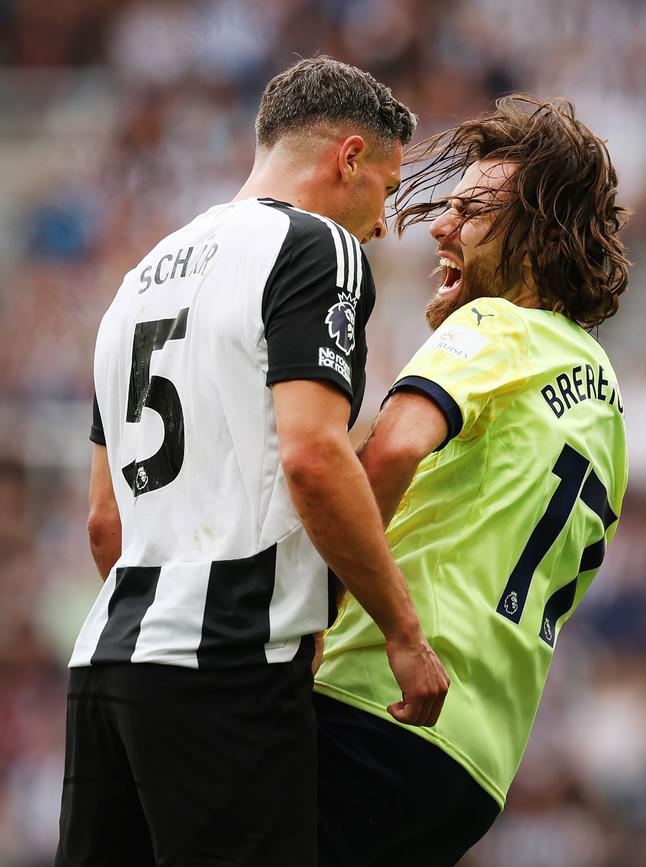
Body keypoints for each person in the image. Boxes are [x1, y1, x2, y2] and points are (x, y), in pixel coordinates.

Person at [54, 57, 450, 867]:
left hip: (105, 663)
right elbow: (312, 454)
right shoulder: (317, 247)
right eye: (385, 187)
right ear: (347, 158)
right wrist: (402, 633)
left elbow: (104, 523)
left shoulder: (136, 280)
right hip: (226, 663)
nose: (381, 223)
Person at [314, 94, 629, 867]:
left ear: (539, 240)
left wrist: (309, 617)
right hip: (474, 769)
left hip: (371, 703)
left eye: (474, 210)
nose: (440, 226)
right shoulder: (607, 403)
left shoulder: (495, 326)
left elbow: (388, 456)